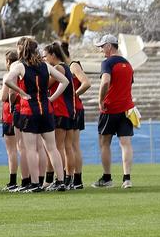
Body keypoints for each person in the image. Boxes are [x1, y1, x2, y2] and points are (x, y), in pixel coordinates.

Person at [4, 37, 69, 192]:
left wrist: (21, 92)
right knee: (52, 148)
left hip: (29, 112)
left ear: (23, 50)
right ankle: (60, 181)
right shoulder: (45, 65)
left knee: (31, 149)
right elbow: (65, 80)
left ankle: (35, 184)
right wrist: (52, 98)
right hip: (46, 111)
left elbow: (7, 80)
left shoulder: (20, 66)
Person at [92, 34, 135, 189]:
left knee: (104, 143)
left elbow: (105, 82)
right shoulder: (128, 64)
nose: (102, 50)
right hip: (126, 109)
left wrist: (100, 100)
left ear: (109, 46)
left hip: (110, 109)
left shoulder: (107, 62)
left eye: (103, 46)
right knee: (126, 143)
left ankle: (107, 178)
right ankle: (127, 178)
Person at [42, 42, 76, 188]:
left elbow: (45, 84)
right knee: (64, 146)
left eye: (45, 56)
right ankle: (64, 179)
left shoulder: (58, 68)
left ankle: (59, 179)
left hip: (60, 110)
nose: (43, 59)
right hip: (66, 110)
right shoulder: (66, 67)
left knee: (58, 146)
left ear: (53, 55)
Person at [62, 42, 91, 189]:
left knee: (72, 145)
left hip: (74, 108)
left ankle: (75, 179)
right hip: (71, 108)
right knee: (71, 145)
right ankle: (74, 178)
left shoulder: (73, 65)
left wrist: (73, 95)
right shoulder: (64, 67)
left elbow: (86, 83)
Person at [0, 50, 19, 191]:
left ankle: (12, 181)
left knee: (11, 150)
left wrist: (0, 92)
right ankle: (30, 178)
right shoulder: (22, 73)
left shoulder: (9, 75)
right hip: (23, 112)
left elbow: (3, 96)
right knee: (24, 148)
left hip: (9, 114)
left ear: (8, 62)